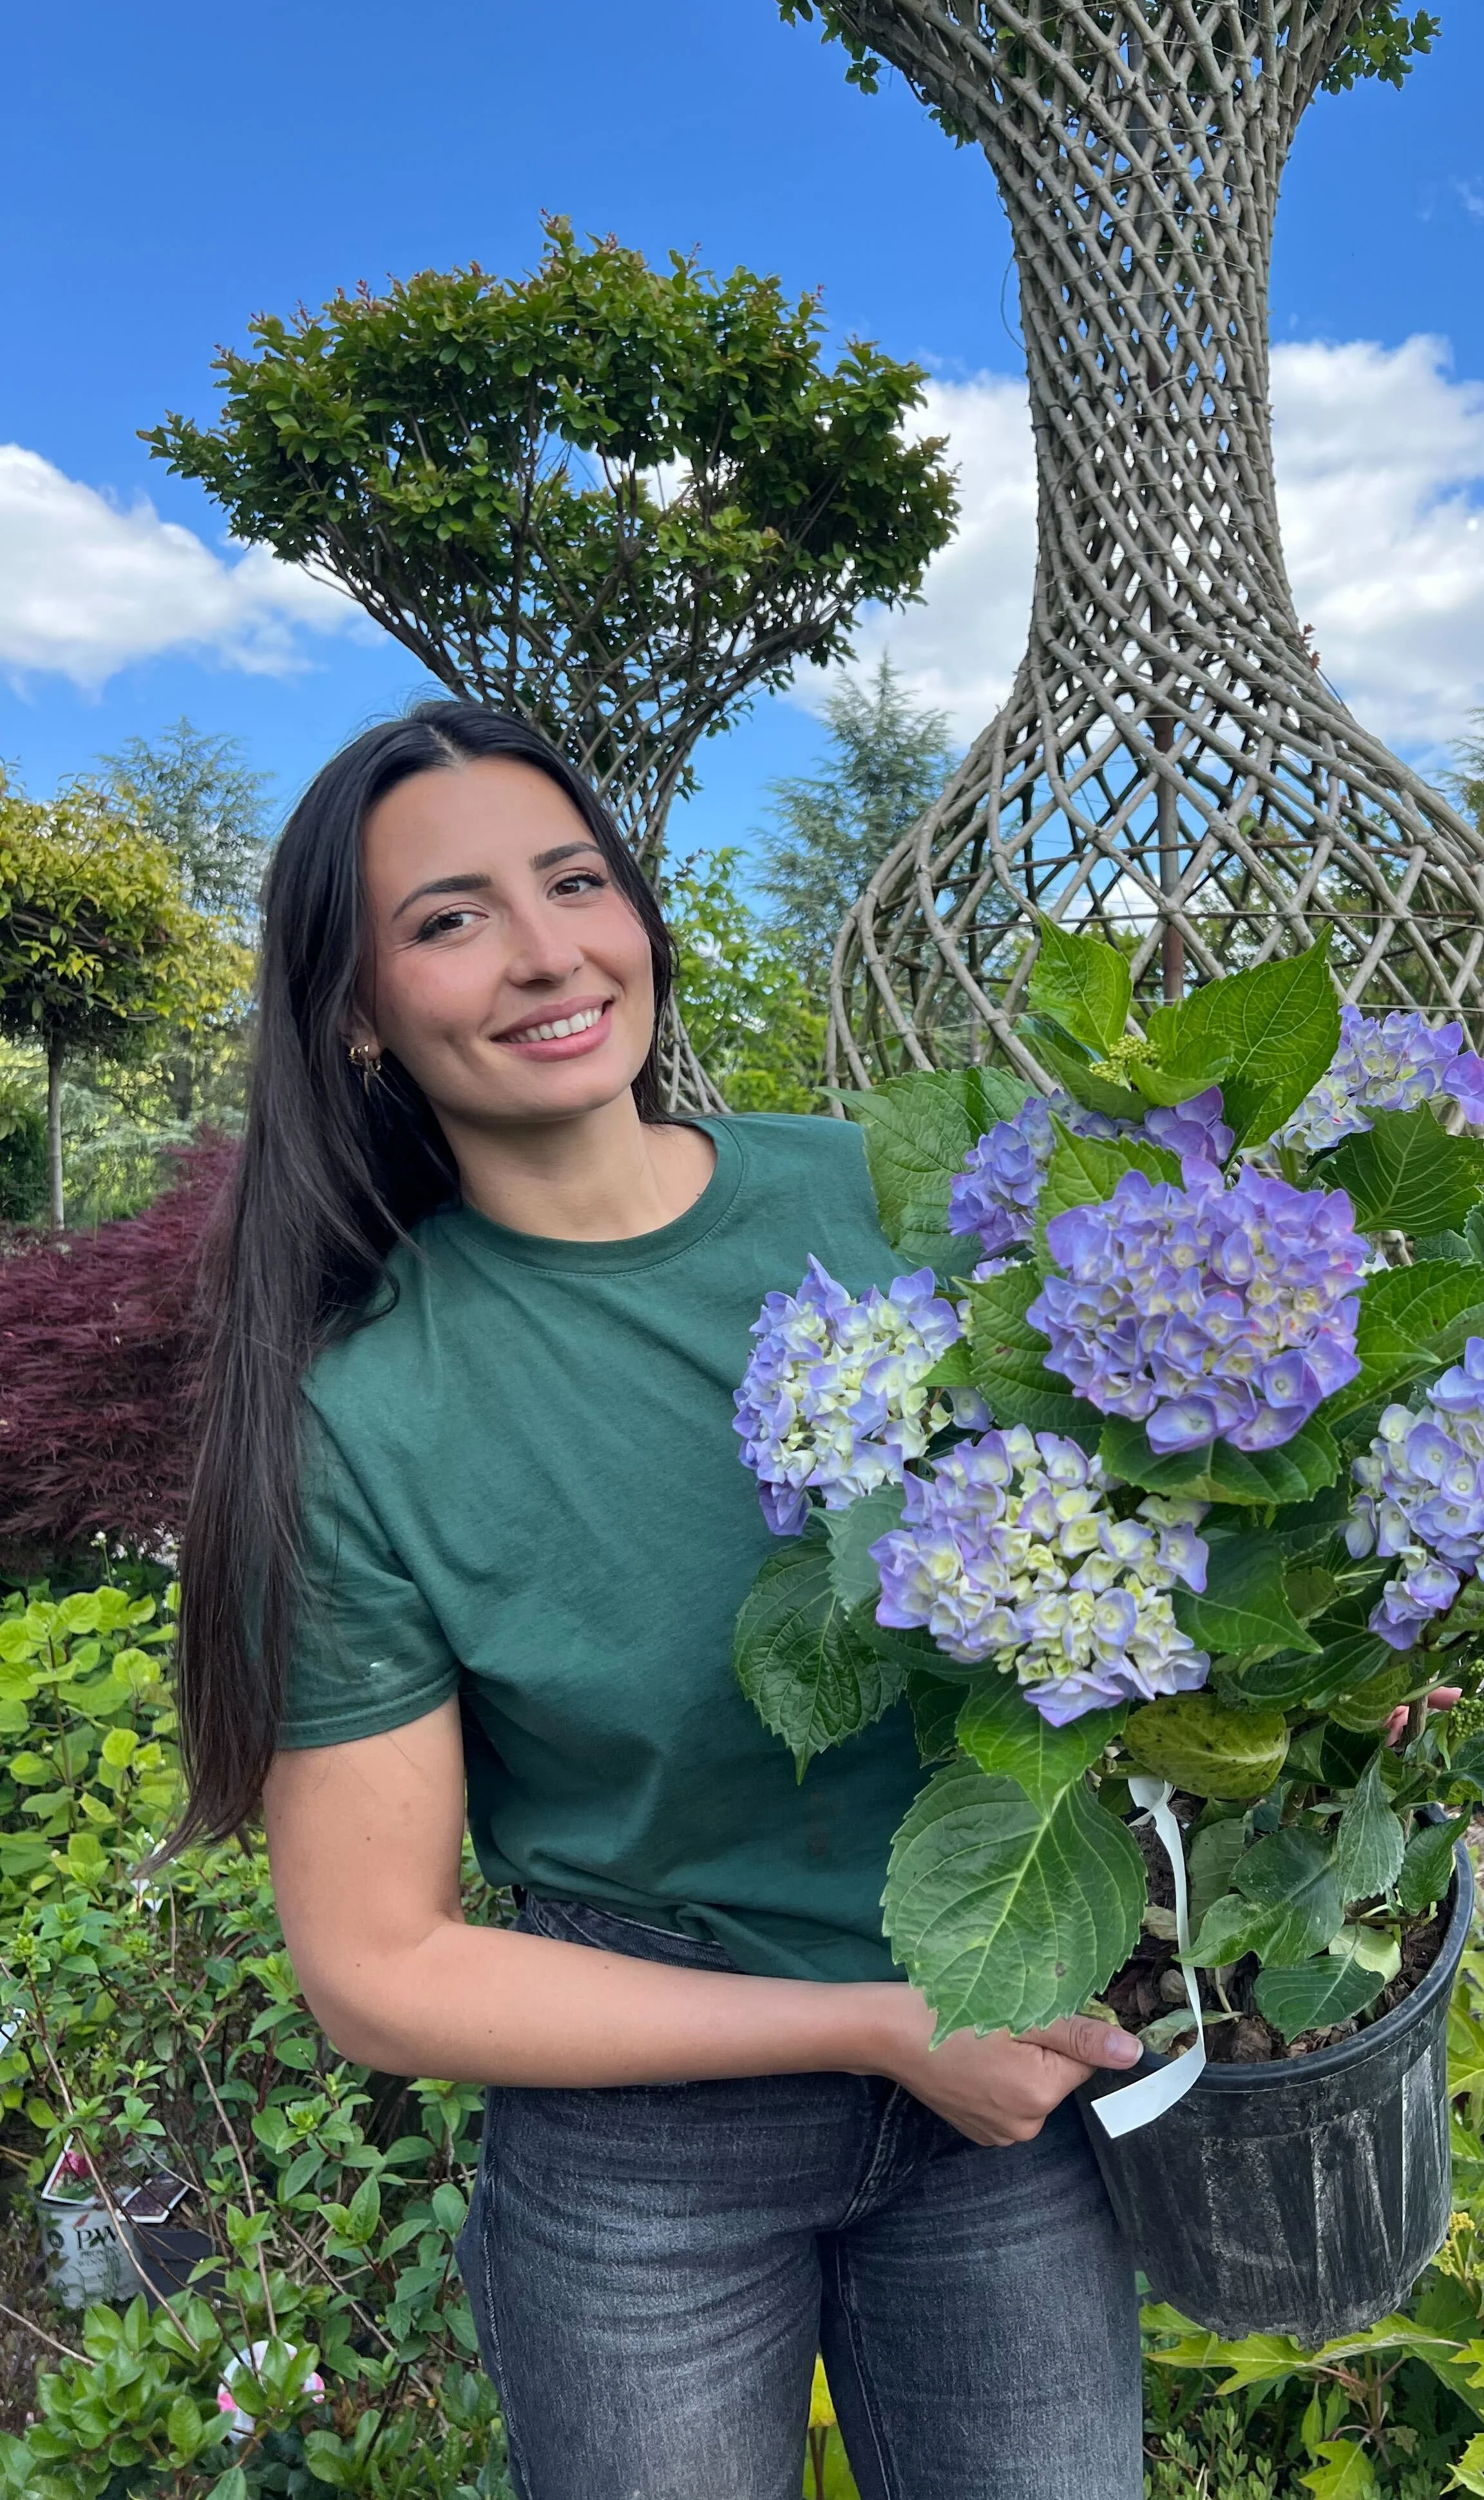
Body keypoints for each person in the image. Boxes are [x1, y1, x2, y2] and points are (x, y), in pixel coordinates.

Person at [174, 703, 1147, 2500]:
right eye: (450, 919)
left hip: (1003, 2055)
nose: (548, 952)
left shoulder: (892, 1193)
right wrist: (879, 2026)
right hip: (650, 2151)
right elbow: (377, 1971)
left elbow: (1160, 1518)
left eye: (575, 882)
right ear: (356, 1015)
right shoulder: (365, 1416)